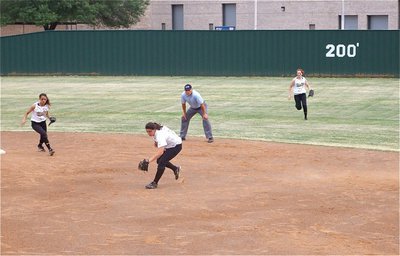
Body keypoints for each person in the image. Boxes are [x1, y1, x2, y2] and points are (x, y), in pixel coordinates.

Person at [144, 122, 182, 189]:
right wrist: (156, 142)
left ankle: (155, 183)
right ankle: (175, 169)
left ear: (154, 129)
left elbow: (160, 152)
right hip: (170, 145)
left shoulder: (160, 135)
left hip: (176, 146)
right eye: (147, 132)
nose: (149, 133)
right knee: (159, 160)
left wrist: (148, 161)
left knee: (161, 162)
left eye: (150, 131)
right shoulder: (157, 129)